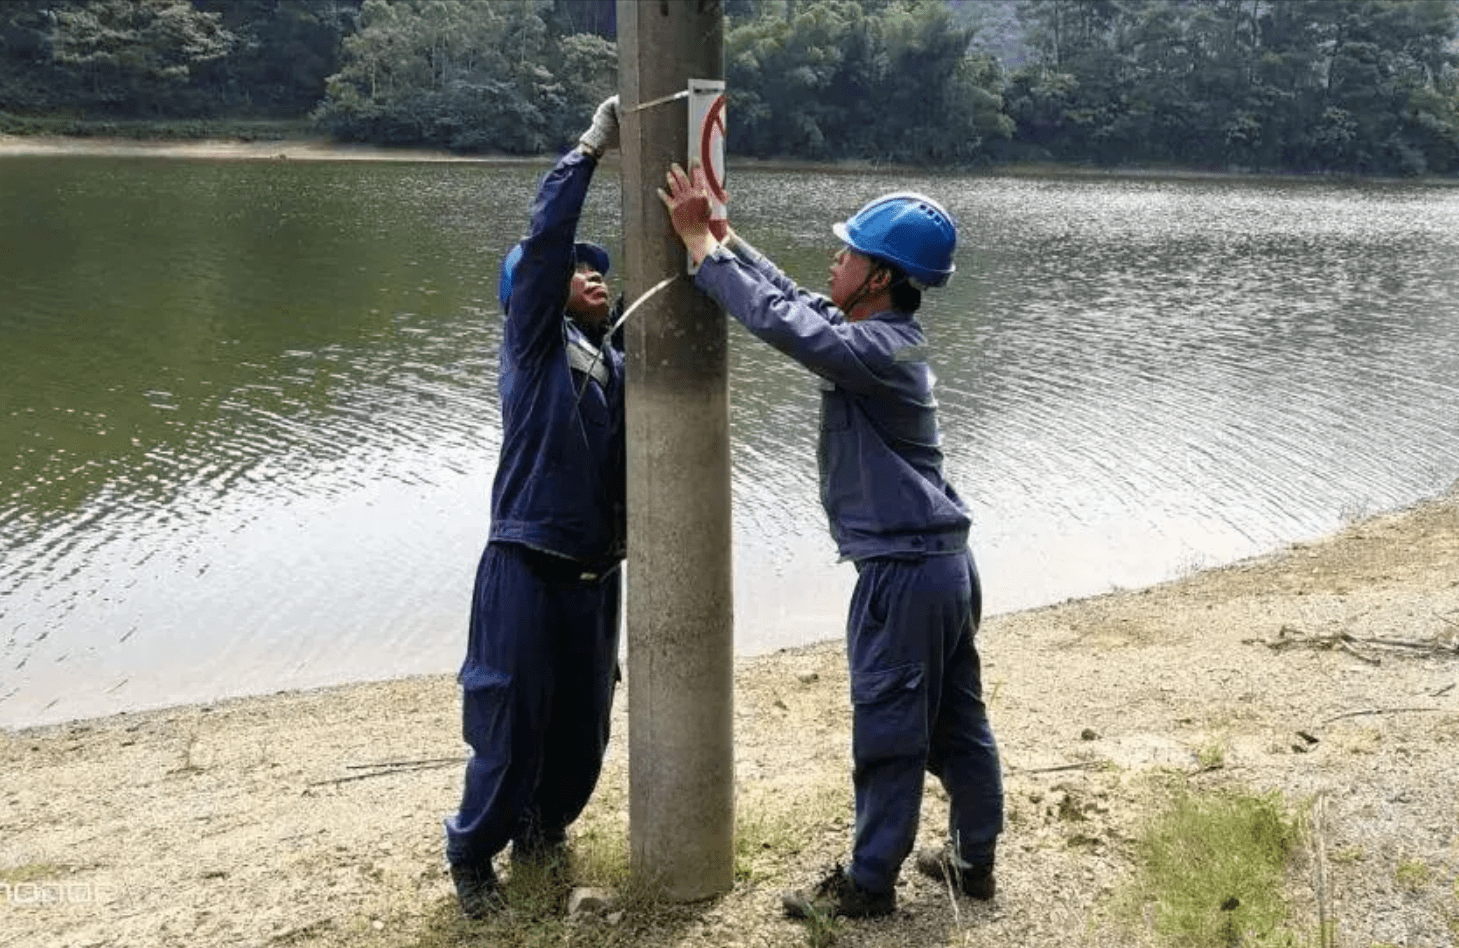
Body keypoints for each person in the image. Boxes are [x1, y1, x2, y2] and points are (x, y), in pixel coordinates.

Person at [658, 163, 1005, 920]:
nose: (834, 261)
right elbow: (800, 301)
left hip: (904, 575)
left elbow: (782, 323)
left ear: (878, 277)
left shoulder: (870, 352)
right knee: (955, 721)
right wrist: (726, 241)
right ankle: (973, 859)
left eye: (847, 254)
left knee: (889, 729)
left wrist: (695, 244)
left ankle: (868, 883)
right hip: (943, 567)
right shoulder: (887, 336)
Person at [443, 96, 626, 919]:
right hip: (525, 563)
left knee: (582, 726)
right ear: (535, 293)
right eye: (576, 271)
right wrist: (587, 151)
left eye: (600, 269)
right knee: (510, 723)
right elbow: (546, 245)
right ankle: (472, 857)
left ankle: (542, 834)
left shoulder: (615, 361)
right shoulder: (531, 347)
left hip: (593, 577)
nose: (593, 275)